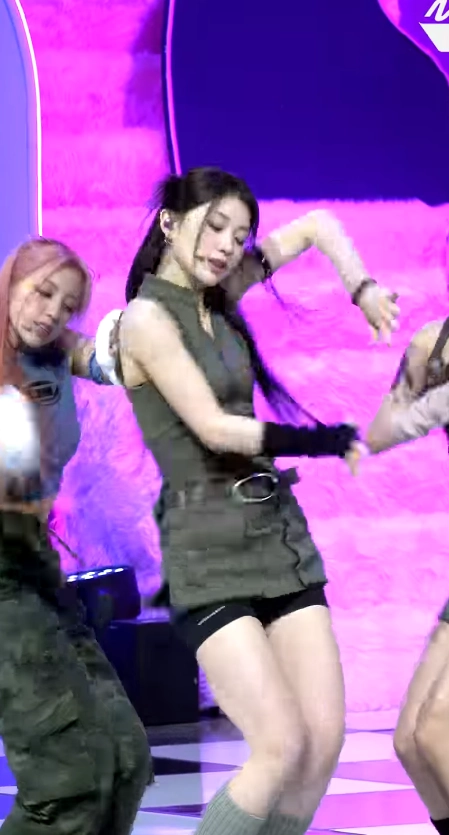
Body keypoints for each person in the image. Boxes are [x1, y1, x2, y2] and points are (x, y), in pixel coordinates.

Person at [116, 166, 399, 835]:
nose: (227, 245)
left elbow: (319, 225)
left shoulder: (222, 295)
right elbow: (214, 428)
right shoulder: (145, 320)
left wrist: (360, 287)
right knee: (278, 746)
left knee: (321, 742)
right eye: (214, 226)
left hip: (276, 532)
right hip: (206, 545)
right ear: (169, 222)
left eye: (240, 234)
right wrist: (321, 439)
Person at [0, 237, 151, 835]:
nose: (50, 314)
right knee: (69, 781)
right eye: (42, 294)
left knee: (125, 760)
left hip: (36, 563)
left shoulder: (58, 351)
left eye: (66, 306)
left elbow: (120, 361)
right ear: (11, 282)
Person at [366, 315, 449, 835]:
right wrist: (426, 390)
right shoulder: (432, 342)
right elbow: (379, 435)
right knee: (410, 743)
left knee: (437, 728)